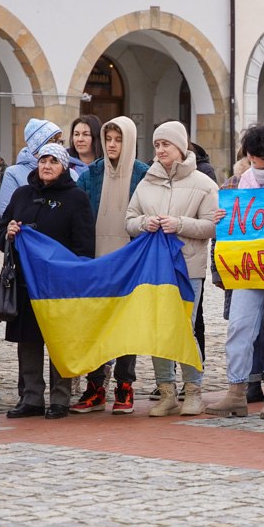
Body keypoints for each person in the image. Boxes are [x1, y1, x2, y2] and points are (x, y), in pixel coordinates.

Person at [0, 144, 95, 419]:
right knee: (28, 340)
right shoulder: (22, 194)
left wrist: (76, 277)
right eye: (43, 160)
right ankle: (32, 398)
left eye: (53, 161)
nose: (47, 165)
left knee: (59, 341)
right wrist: (10, 232)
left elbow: (84, 247)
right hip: (26, 282)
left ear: (64, 166)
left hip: (59, 284)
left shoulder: (77, 198)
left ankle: (60, 398)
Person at [126, 121, 218, 417]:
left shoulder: (204, 183)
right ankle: (166, 392)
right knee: (157, 329)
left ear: (181, 146)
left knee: (184, 329)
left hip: (188, 267)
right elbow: (129, 219)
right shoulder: (146, 182)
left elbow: (212, 226)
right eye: (156, 145)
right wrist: (144, 224)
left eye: (166, 144)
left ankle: (193, 391)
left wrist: (179, 224)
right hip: (154, 269)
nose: (160, 150)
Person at [207, 122, 264, 420]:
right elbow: (229, 226)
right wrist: (221, 217)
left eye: (257, 155)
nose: (252, 160)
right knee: (239, 326)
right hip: (247, 268)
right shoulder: (242, 181)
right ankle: (235, 392)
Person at [69, 116, 149, 415]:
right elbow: (77, 214)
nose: (112, 145)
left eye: (118, 140)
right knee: (97, 324)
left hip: (129, 260)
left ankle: (125, 386)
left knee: (126, 324)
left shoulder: (143, 174)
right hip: (96, 258)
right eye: (108, 140)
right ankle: (95, 387)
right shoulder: (91, 174)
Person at [0, 118, 79, 214]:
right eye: (55, 141)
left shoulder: (71, 174)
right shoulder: (13, 173)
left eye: (61, 141)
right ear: (39, 144)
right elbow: (7, 213)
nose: (60, 146)